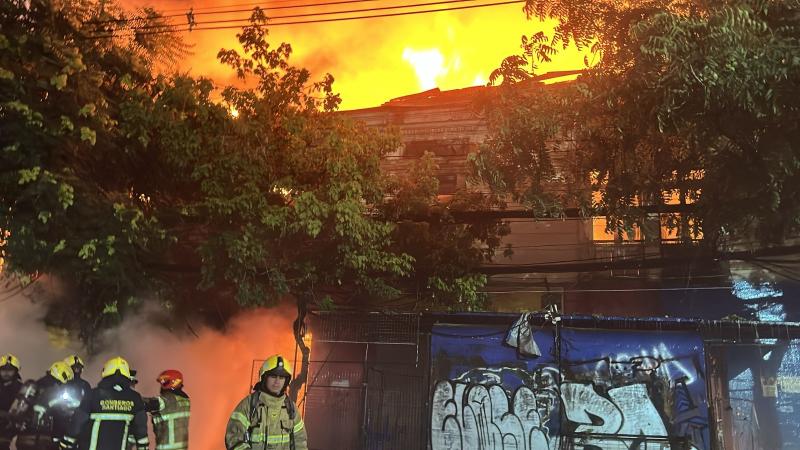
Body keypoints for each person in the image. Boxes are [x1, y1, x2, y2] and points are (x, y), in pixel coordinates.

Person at [59, 357, 148, 450]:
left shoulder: (93, 395)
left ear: (105, 372)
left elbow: (77, 423)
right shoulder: (135, 398)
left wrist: (65, 444)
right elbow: (141, 431)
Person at [225, 355, 307, 450]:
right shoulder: (249, 405)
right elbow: (234, 439)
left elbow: (300, 442)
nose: (277, 382)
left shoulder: (291, 408)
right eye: (273, 376)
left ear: (286, 381)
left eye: (281, 377)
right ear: (264, 377)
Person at [14, 361, 74, 450]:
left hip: (24, 438)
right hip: (43, 440)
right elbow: (61, 419)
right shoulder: (56, 393)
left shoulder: (34, 386)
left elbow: (17, 411)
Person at [144, 370, 190, 450]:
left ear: (174, 382)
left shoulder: (168, 400)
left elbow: (146, 403)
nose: (162, 386)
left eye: (165, 382)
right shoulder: (185, 400)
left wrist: (130, 396)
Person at [0, 354, 22, 450]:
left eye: (10, 370)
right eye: (3, 370)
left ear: (16, 371)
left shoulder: (20, 388)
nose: (6, 373)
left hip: (7, 430)